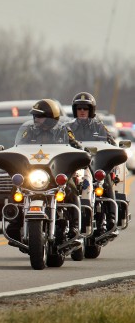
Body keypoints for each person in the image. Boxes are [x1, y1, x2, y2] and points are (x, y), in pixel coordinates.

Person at [7, 99, 83, 242]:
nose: (36, 119)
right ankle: (15, 221)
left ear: (50, 118)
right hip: (34, 173)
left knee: (72, 188)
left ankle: (75, 225)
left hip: (56, 174)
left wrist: (80, 153)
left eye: (39, 116)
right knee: (16, 188)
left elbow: (76, 146)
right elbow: (19, 146)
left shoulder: (63, 130)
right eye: (35, 116)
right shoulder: (29, 131)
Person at [68, 92, 118, 234]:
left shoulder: (99, 126)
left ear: (91, 110)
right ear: (75, 110)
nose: (82, 111)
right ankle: (71, 222)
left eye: (86, 108)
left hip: (97, 165)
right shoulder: (68, 128)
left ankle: (111, 218)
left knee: (105, 178)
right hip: (77, 166)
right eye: (79, 108)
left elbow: (112, 143)